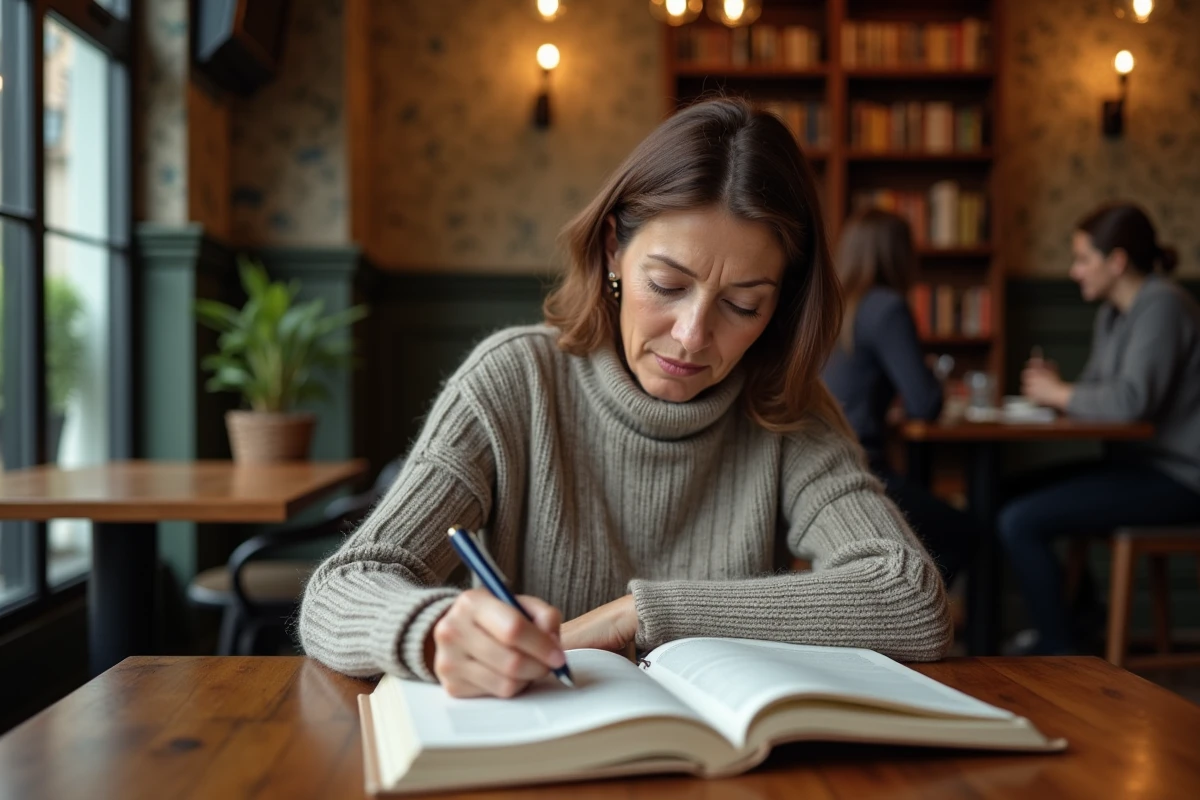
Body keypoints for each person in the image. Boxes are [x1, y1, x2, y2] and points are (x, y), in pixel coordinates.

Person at [299, 98, 951, 698]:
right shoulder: (514, 381)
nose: (694, 336)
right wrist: (432, 628)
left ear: (779, 305)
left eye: (742, 303)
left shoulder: (787, 409)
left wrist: (642, 615)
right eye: (668, 284)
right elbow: (340, 589)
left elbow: (909, 597)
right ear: (614, 249)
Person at [999, 202, 1200, 655]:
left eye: (1083, 259)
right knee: (1004, 493)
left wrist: (1058, 393)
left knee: (1020, 521)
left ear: (1118, 261)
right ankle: (1078, 620)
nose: (1075, 271)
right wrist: (1058, 389)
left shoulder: (1162, 305)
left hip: (1179, 478)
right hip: (1134, 468)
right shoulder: (1114, 313)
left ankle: (1059, 648)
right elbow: (1093, 394)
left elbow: (1129, 404)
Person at [822, 209, 976, 587]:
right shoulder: (887, 307)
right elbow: (925, 404)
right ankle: (920, 615)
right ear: (897, 255)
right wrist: (932, 376)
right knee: (974, 536)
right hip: (866, 472)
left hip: (822, 470)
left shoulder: (832, 306)